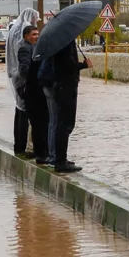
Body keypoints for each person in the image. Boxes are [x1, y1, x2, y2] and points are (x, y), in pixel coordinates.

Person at [39, 36, 89, 173]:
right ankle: (60, 161)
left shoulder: (63, 41)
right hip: (65, 86)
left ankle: (60, 158)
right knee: (64, 124)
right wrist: (84, 65)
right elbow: (67, 65)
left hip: (63, 86)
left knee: (62, 123)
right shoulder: (64, 43)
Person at [6, 8, 40, 157]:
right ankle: (25, 146)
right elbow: (25, 61)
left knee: (20, 110)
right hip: (23, 79)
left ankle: (18, 145)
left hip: (14, 75)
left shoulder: (14, 29)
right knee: (26, 113)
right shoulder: (23, 33)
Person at [18, 26, 50, 163]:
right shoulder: (25, 49)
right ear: (26, 36)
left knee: (42, 124)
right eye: (34, 34)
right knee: (38, 124)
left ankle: (42, 152)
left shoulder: (35, 48)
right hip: (33, 91)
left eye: (38, 34)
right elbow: (25, 70)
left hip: (38, 91)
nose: (37, 36)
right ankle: (40, 154)